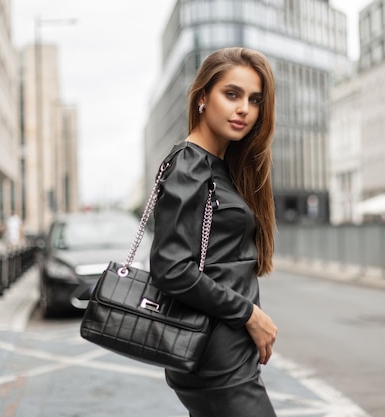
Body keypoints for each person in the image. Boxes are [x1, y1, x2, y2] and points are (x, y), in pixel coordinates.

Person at [149, 47, 278, 416]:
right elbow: (171, 268)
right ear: (203, 96)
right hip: (217, 358)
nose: (244, 110)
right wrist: (250, 315)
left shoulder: (218, 167)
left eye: (254, 100)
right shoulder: (190, 165)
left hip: (221, 353)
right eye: (232, 94)